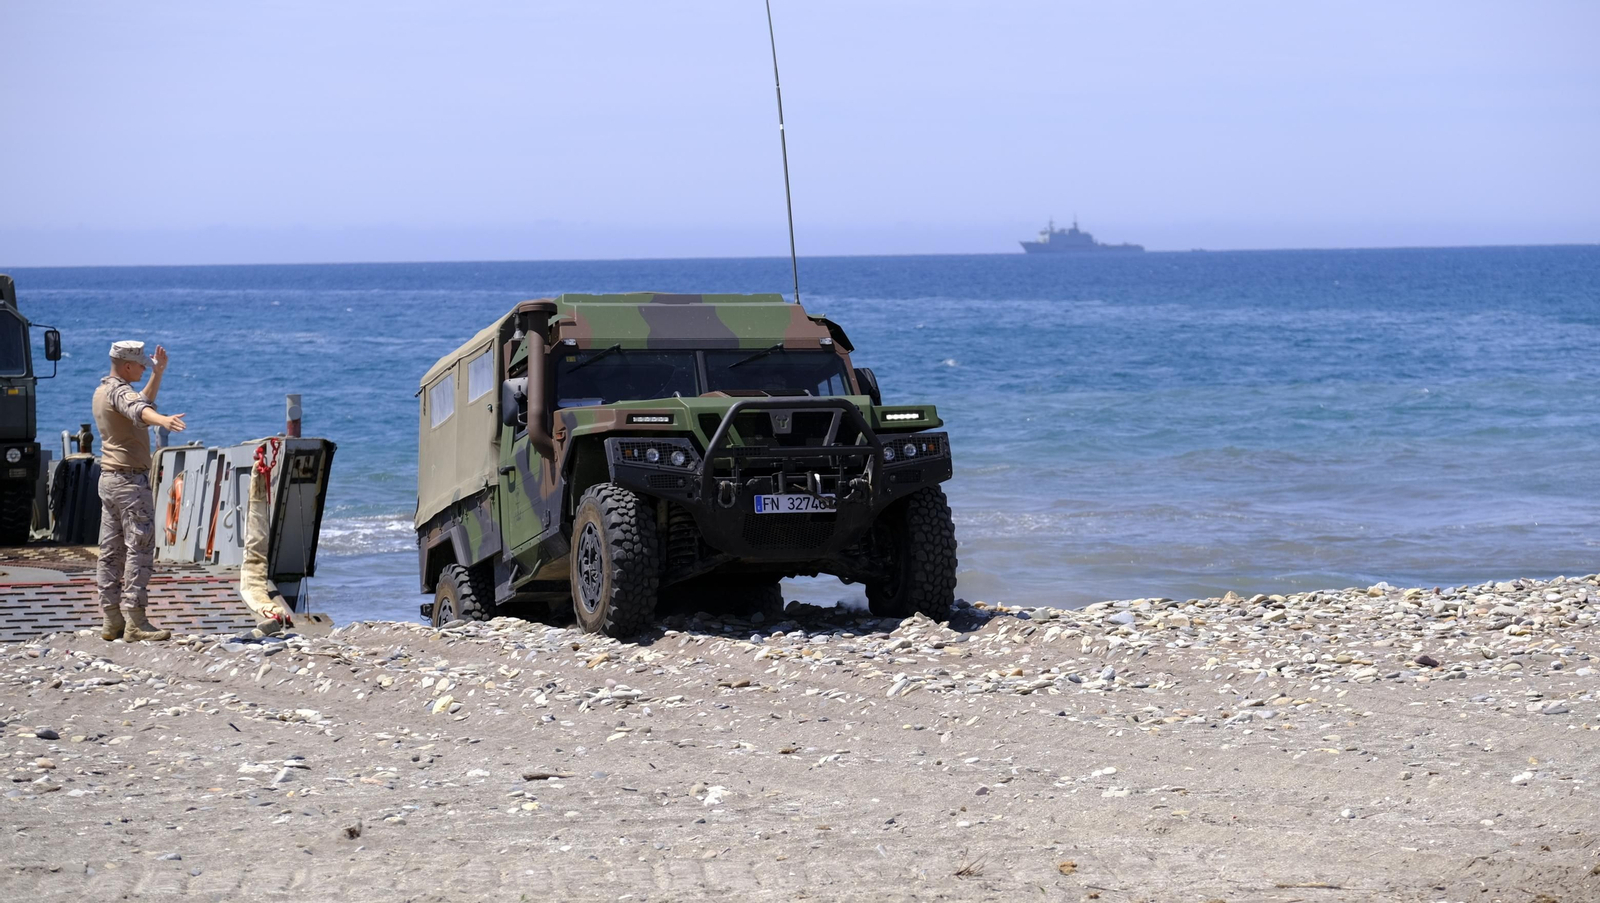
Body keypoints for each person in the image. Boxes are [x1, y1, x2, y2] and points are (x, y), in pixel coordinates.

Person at [93, 341, 187, 641]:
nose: (144, 369)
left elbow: (138, 403)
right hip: (129, 483)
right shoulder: (120, 392)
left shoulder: (104, 391)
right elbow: (138, 408)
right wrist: (164, 421)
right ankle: (135, 621)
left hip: (110, 479)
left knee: (111, 551)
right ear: (126, 365)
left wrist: (158, 374)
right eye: (142, 366)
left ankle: (111, 619)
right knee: (140, 548)